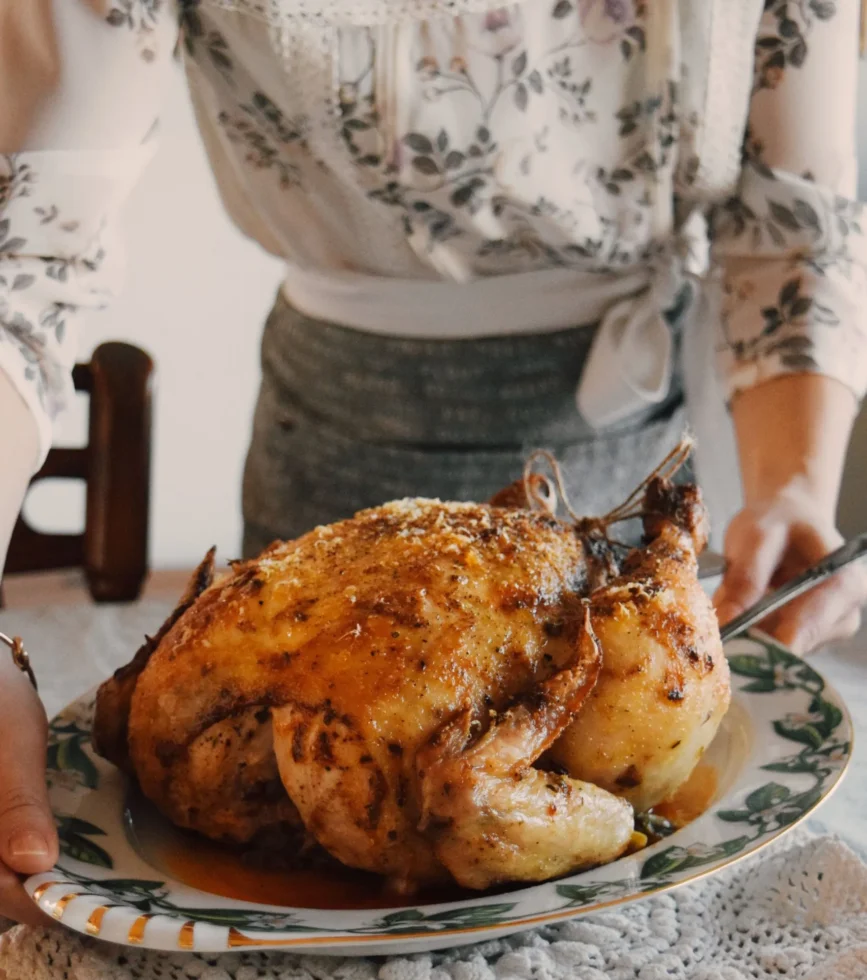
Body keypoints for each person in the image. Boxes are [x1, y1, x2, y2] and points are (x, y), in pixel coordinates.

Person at [1, 0, 867, 926]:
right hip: (328, 444)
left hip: (620, 469)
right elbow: (25, 244)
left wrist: (791, 487)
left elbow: (794, 221)